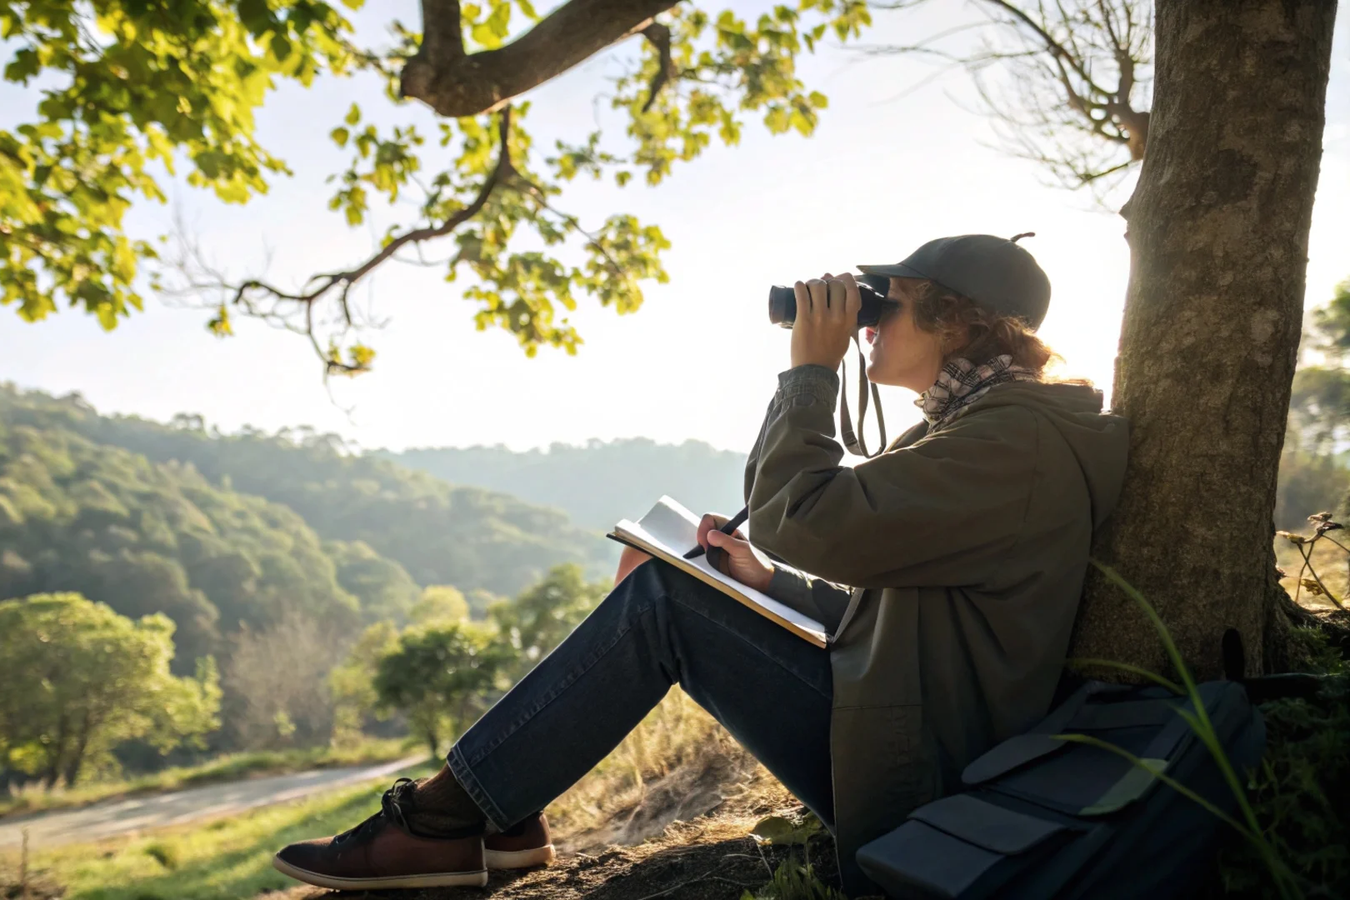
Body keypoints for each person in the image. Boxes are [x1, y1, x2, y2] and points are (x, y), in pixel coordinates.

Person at [271, 234, 1130, 895]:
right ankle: (492, 822)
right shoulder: (990, 429)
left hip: (928, 775)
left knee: (664, 603)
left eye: (888, 305)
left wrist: (810, 376)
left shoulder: (1011, 440)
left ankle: (448, 825)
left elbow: (810, 517)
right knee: (679, 585)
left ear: (960, 320)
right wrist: (768, 581)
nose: (865, 322)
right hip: (913, 725)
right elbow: (904, 604)